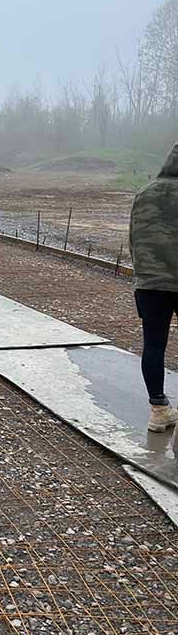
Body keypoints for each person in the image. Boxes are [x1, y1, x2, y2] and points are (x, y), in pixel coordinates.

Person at [129, 142, 178, 436]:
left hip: (150, 283)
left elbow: (134, 239)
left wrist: (144, 275)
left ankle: (158, 412)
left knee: (154, 344)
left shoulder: (144, 193)